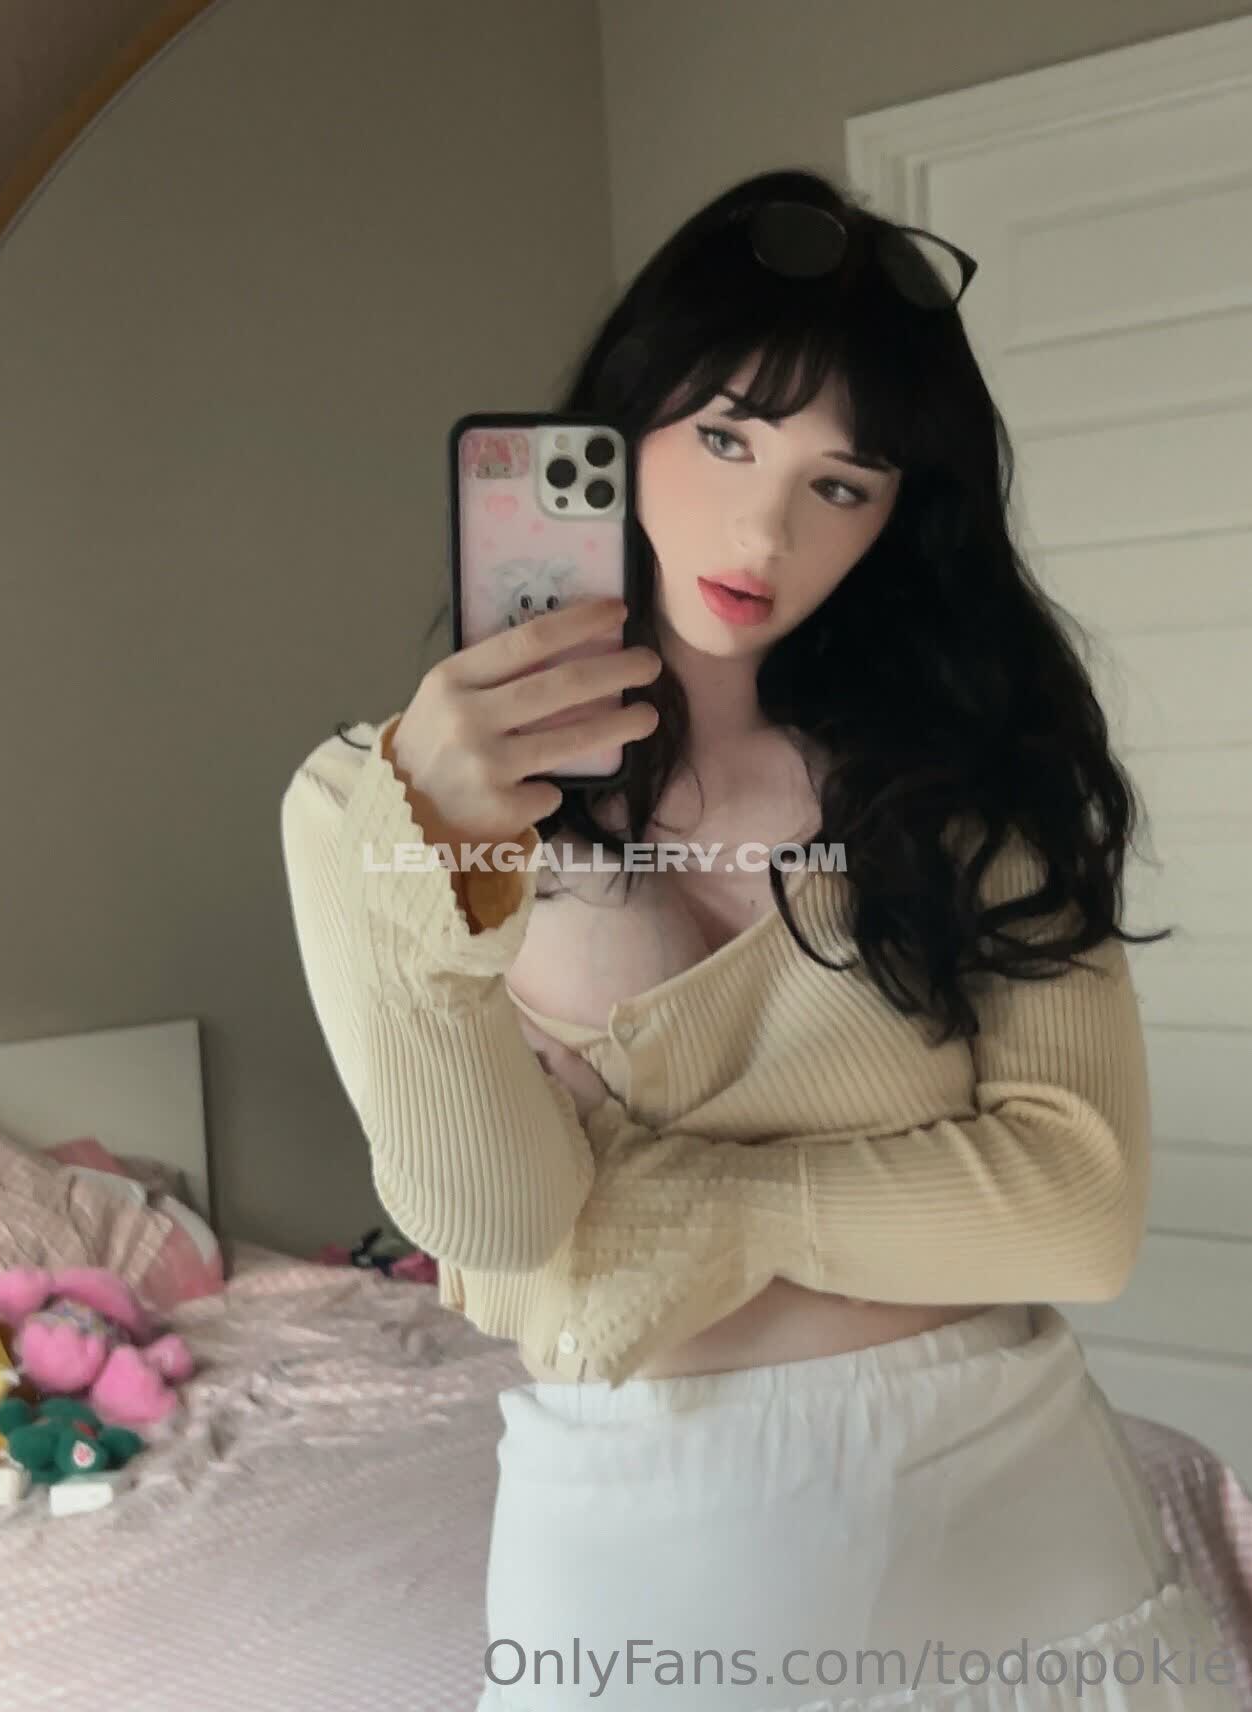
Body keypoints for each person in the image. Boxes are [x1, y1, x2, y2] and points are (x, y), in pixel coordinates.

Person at [280, 168, 1240, 1709]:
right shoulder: (366, 804)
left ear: (897, 519)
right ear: (622, 424)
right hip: (648, 1553)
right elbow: (500, 1221)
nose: (765, 528)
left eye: (841, 485)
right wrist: (437, 865)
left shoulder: (965, 782)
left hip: (1019, 1518)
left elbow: (1081, 1212)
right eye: (726, 437)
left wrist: (703, 1211)